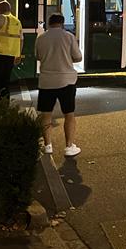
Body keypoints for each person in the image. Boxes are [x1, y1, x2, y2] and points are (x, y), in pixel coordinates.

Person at [35, 13, 83, 157]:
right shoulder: (69, 37)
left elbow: (38, 56)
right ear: (62, 23)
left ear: (49, 23)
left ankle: (48, 145)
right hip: (66, 81)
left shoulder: (41, 38)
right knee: (69, 114)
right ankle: (69, 147)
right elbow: (78, 57)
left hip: (46, 82)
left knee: (46, 115)